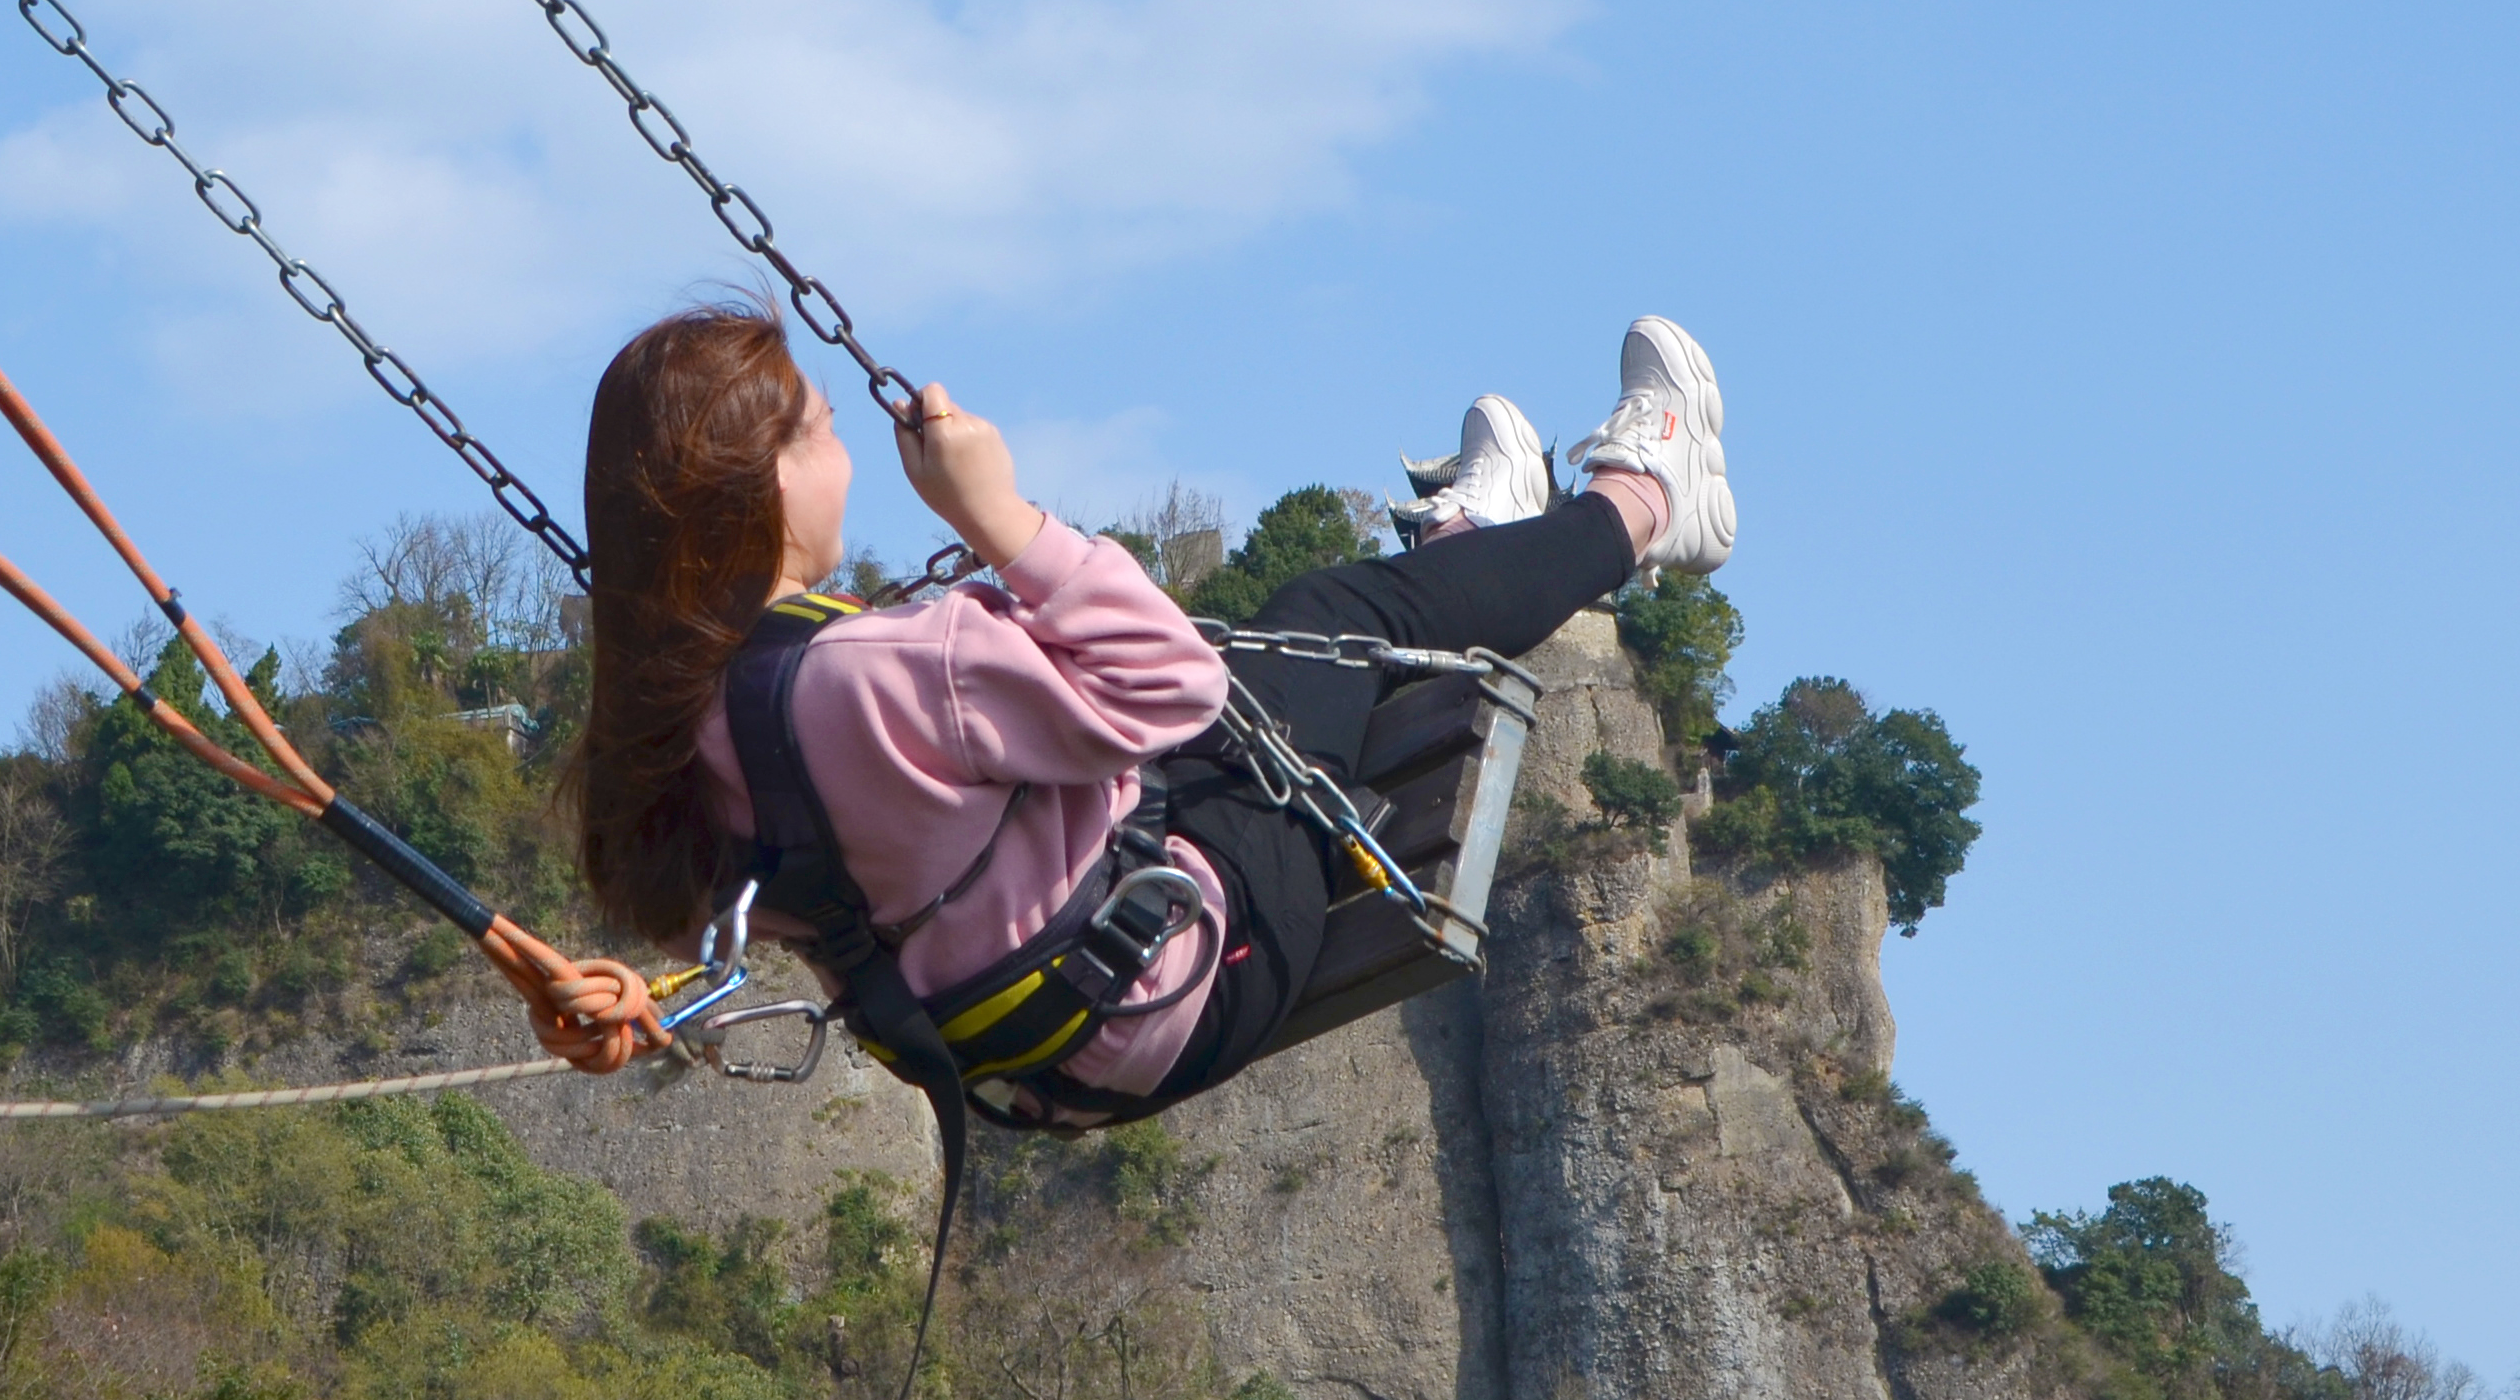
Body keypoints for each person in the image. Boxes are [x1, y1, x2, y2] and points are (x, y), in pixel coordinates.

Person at [570, 305, 1738, 1124]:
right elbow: (1174, 682)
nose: (845, 455)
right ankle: (1640, 503)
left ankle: (1474, 540)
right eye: (821, 432)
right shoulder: (883, 668)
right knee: (1329, 612)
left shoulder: (686, 714)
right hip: (1184, 979)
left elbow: (705, 916)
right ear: (769, 481)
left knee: (1318, 645)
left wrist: (641, 995)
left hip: (1019, 1066)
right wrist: (1003, 521)